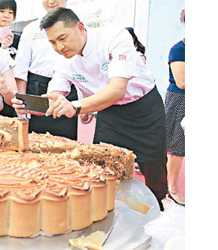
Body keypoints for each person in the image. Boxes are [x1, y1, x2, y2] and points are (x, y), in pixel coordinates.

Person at [13, 7, 168, 211]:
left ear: (80, 27)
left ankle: (158, 211)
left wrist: (78, 107)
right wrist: (40, 103)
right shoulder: (61, 57)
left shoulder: (114, 37)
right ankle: (109, 212)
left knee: (153, 168)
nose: (59, 47)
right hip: (109, 113)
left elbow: (117, 90)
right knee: (103, 167)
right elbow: (57, 91)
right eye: (52, 42)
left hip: (143, 109)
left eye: (62, 38)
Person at [14, 0, 79, 140]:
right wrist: (22, 102)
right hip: (37, 91)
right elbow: (21, 68)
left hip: (68, 92)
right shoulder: (31, 29)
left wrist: (85, 104)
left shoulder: (76, 25)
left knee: (66, 145)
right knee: (35, 143)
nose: (51, 1)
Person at [165, 9, 185, 206]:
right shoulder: (178, 49)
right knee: (177, 146)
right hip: (181, 100)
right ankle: (172, 188)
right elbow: (182, 81)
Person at [0, 0, 20, 117]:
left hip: (9, 90)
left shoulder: (18, 39)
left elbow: (18, 64)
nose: (6, 15)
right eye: (2, 11)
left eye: (10, 12)